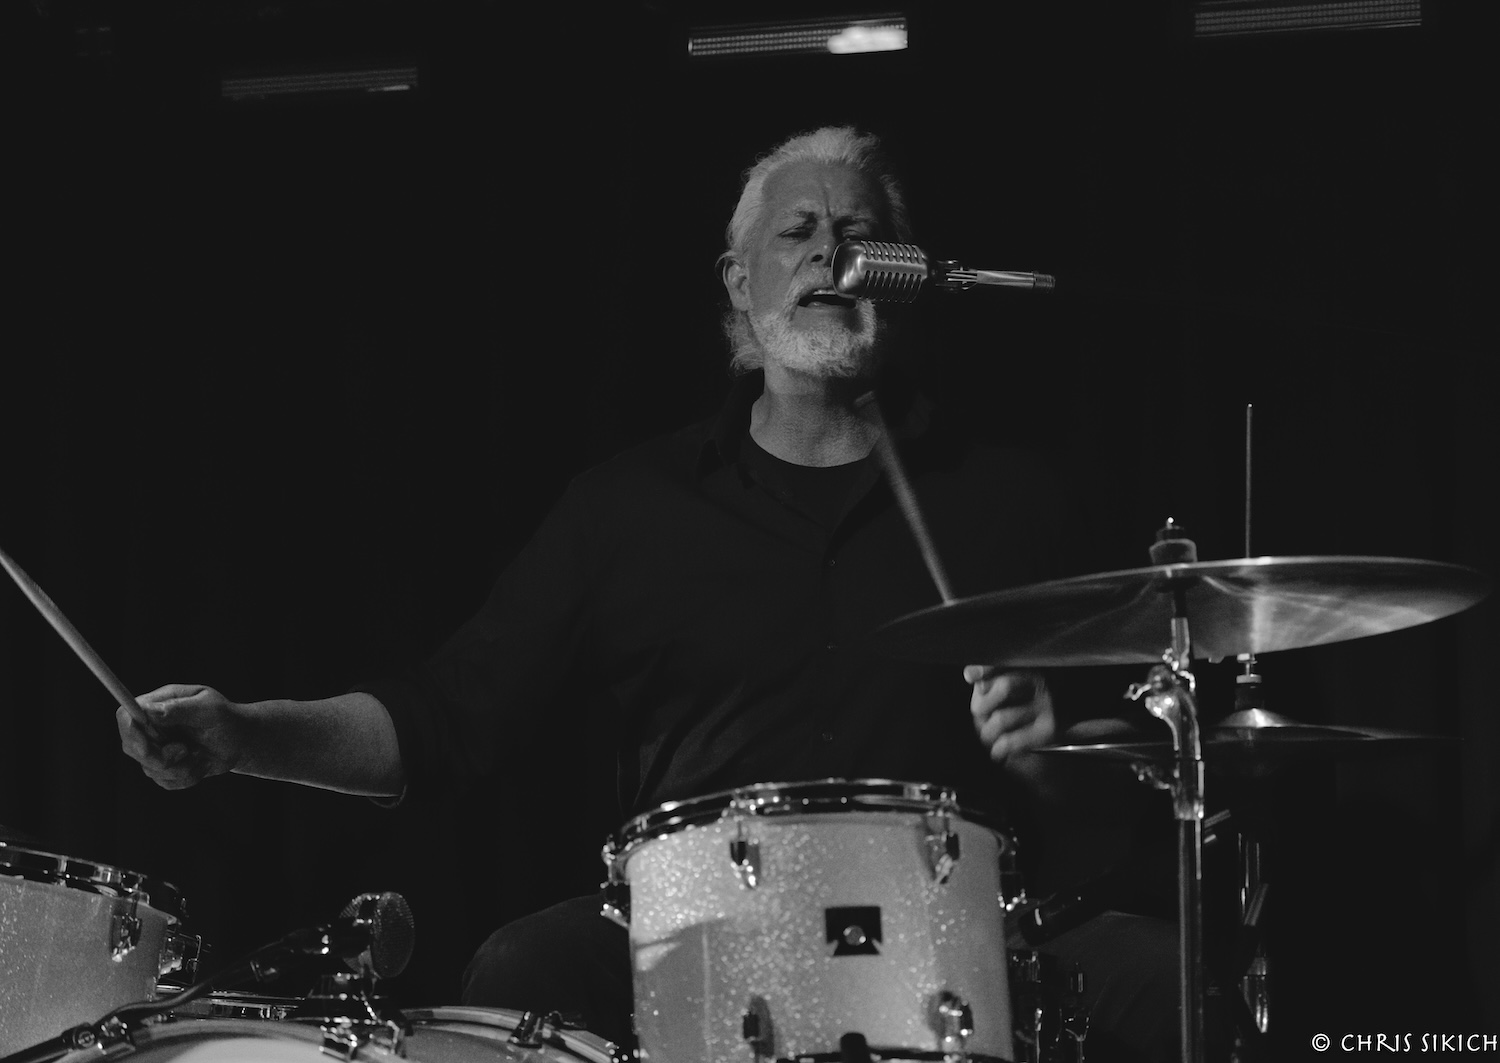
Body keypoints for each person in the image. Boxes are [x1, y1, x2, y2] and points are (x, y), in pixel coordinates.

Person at [118, 126, 1180, 1062]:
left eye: (859, 233)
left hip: (960, 925)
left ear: (901, 276)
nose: (830, 251)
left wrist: (1051, 752)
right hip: (697, 923)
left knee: (1174, 982)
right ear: (738, 282)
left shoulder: (1014, 501)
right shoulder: (626, 510)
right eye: (798, 231)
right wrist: (242, 733)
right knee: (522, 965)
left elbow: (1131, 774)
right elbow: (445, 717)